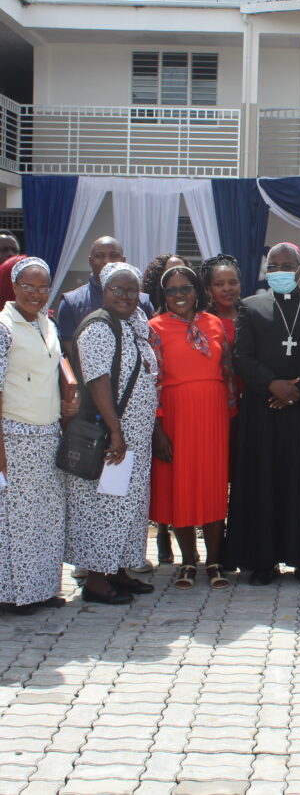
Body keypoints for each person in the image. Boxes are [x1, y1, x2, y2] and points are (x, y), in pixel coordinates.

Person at [225, 243, 300, 587]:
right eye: (273, 266)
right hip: (262, 413)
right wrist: (273, 385)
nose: (280, 271)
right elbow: (241, 357)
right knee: (262, 484)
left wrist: (297, 391)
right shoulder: (251, 306)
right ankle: (263, 561)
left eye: (287, 265)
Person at [65, 263, 159, 605]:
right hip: (112, 438)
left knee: (128, 506)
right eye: (117, 290)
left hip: (135, 438)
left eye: (132, 290)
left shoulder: (132, 325)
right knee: (106, 506)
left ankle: (118, 568)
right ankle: (96, 580)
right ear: (103, 291)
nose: (125, 296)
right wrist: (116, 431)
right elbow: (98, 380)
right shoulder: (99, 327)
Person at [149, 266, 236, 590]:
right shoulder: (154, 328)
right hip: (175, 415)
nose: (179, 295)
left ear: (197, 290)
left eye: (185, 288)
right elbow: (152, 381)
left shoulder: (214, 324)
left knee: (213, 487)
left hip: (212, 417)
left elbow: (227, 375)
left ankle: (214, 561)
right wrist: (157, 429)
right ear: (164, 296)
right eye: (171, 291)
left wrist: (231, 418)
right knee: (179, 487)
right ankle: (188, 561)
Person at [0, 258, 75, 614]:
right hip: (15, 436)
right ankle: (16, 594)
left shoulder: (48, 324)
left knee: (47, 518)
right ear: (14, 287)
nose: (35, 294)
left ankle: (44, 588)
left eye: (42, 287)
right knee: (18, 521)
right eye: (28, 286)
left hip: (49, 435)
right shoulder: (3, 327)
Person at [141, 252, 188, 565]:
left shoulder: (197, 320)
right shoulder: (151, 325)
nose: (177, 288)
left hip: (194, 414)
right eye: (169, 281)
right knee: (165, 477)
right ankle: (162, 536)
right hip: (165, 413)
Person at [57, 237, 155, 363]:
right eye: (99, 256)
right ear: (90, 261)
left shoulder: (143, 301)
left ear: (123, 261)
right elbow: (71, 353)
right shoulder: (71, 302)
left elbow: (150, 345)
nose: (107, 261)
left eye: (113, 256)